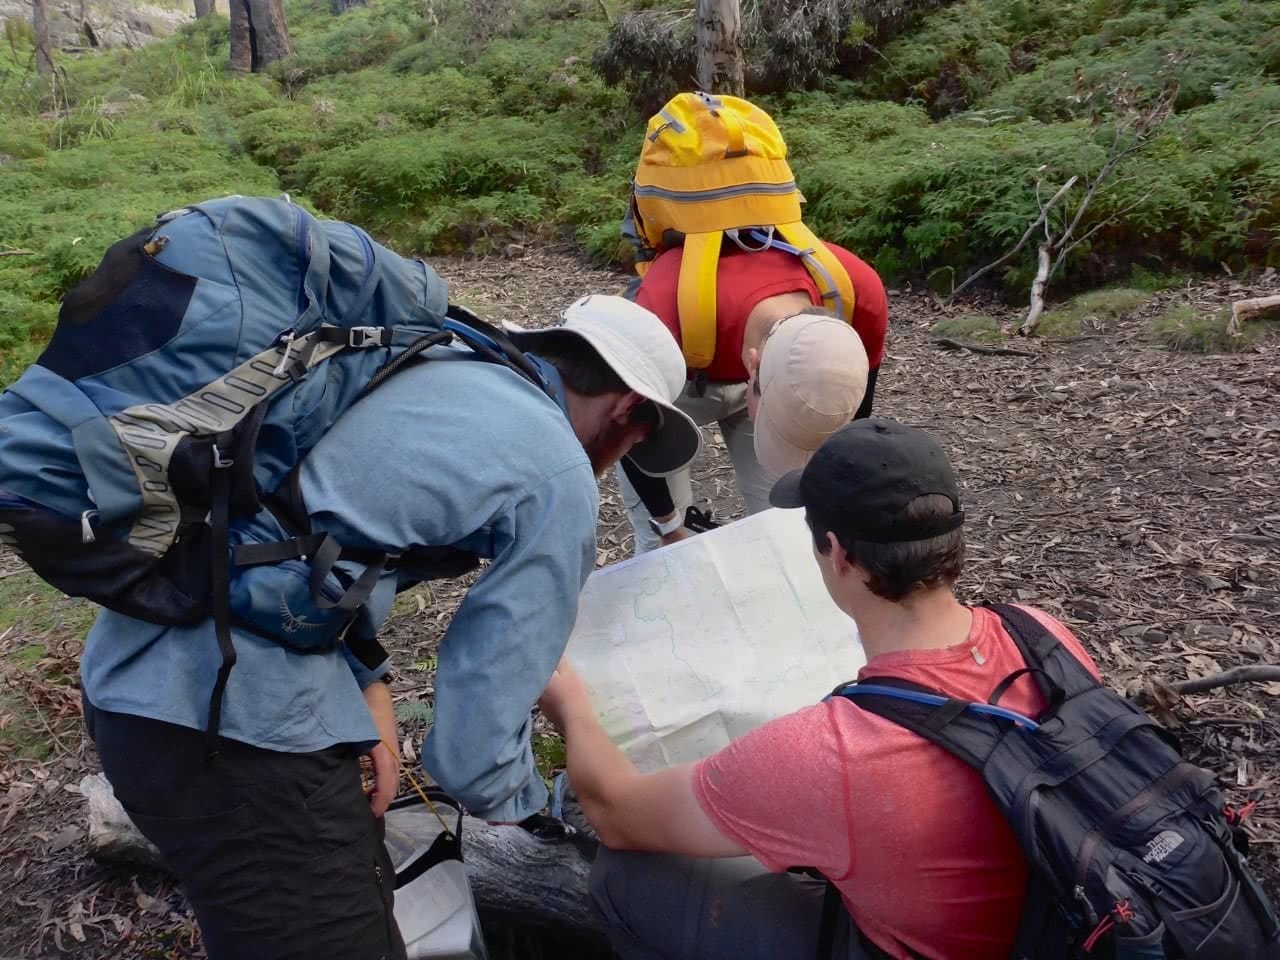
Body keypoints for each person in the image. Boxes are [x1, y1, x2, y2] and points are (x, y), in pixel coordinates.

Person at [81, 295, 703, 960]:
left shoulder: (434, 361)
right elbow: (475, 754)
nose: (628, 454)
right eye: (642, 439)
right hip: (226, 731)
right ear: (627, 410)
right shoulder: (555, 472)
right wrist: (541, 809)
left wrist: (370, 682)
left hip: (133, 666)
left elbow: (315, 525)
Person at [540, 418, 1104, 960]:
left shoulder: (831, 754)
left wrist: (571, 706)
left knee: (623, 877)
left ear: (837, 554)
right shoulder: (1041, 633)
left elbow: (617, 814)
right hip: (1068, 920)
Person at [619, 241, 889, 553]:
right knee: (662, 551)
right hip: (680, 382)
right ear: (753, 362)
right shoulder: (659, 313)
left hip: (745, 368)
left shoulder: (858, 295)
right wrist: (668, 525)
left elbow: (854, 423)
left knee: (785, 525)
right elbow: (629, 433)